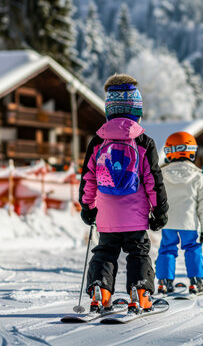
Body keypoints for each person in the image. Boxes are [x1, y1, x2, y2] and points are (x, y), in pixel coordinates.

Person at [79, 74, 168, 313]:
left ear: (109, 110)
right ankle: (140, 293)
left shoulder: (98, 141)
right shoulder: (143, 141)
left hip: (107, 216)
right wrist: (159, 212)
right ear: (137, 110)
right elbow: (153, 180)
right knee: (138, 253)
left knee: (105, 252)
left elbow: (89, 177)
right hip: (135, 216)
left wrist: (88, 207)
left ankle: (101, 292)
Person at [155, 132, 203, 295]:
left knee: (167, 248)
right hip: (190, 222)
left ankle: (164, 281)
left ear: (169, 151)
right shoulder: (198, 176)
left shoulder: (163, 175)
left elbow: (156, 198)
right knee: (193, 247)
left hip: (168, 221)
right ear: (191, 151)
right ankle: (195, 280)